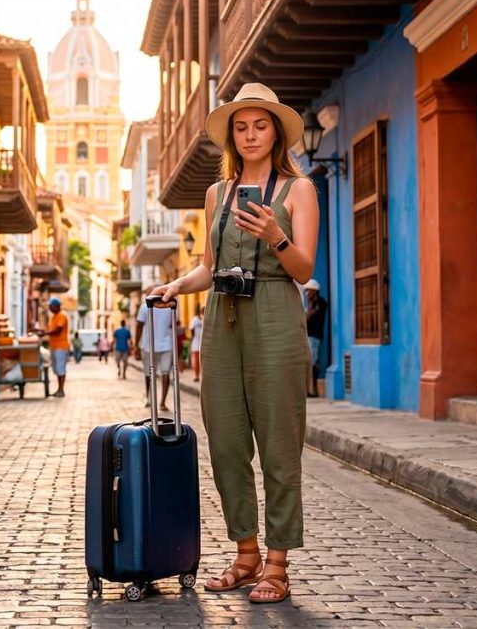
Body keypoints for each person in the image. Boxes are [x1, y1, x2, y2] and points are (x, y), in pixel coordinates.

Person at [149, 83, 318, 604]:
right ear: (231, 136)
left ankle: (278, 564)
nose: (249, 135)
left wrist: (276, 236)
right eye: (240, 127)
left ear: (276, 133)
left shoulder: (299, 190)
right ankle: (245, 555)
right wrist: (177, 285)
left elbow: (304, 269)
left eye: (259, 125)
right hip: (222, 316)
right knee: (224, 444)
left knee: (278, 447)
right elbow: (208, 264)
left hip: (274, 312)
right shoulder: (216, 194)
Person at [135, 289, 174, 412]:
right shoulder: (170, 306)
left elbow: (139, 326)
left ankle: (149, 398)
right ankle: (162, 402)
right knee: (165, 373)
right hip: (166, 344)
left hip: (148, 344)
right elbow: (174, 325)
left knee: (149, 373)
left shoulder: (144, 306)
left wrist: (136, 345)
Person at [304, 280, 327, 397]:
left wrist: (308, 308)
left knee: (312, 363)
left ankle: (313, 390)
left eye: (308, 290)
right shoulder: (310, 303)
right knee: (309, 363)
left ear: (314, 291)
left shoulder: (320, 303)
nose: (306, 292)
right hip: (308, 335)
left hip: (315, 336)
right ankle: (309, 390)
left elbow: (308, 316)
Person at [44, 298, 69, 398]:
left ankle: (61, 390)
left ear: (57, 306)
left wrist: (44, 333)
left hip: (61, 347)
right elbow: (51, 329)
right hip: (54, 346)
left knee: (60, 368)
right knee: (56, 369)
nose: (50, 308)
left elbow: (58, 330)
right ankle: (59, 389)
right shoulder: (54, 317)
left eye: (51, 306)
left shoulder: (62, 315)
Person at [190, 305, 205, 382]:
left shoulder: (205, 319)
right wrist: (192, 339)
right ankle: (196, 375)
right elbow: (191, 330)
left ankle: (200, 376)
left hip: (203, 343)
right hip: (196, 342)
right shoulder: (195, 320)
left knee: (202, 361)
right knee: (196, 360)